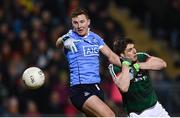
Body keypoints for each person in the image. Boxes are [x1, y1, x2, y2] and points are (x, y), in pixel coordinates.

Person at [56, 8, 121, 117]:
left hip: (96, 87)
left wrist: (129, 65)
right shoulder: (70, 36)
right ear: (72, 23)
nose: (79, 26)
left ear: (88, 22)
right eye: (75, 23)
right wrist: (63, 40)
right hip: (80, 88)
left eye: (82, 22)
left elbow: (111, 56)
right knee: (110, 115)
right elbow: (58, 43)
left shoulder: (95, 38)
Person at [108, 37, 170, 117]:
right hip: (137, 113)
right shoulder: (114, 67)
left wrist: (138, 66)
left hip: (156, 107)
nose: (135, 51)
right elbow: (123, 88)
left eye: (134, 48)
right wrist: (126, 65)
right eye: (130, 50)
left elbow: (162, 64)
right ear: (122, 55)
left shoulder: (141, 57)